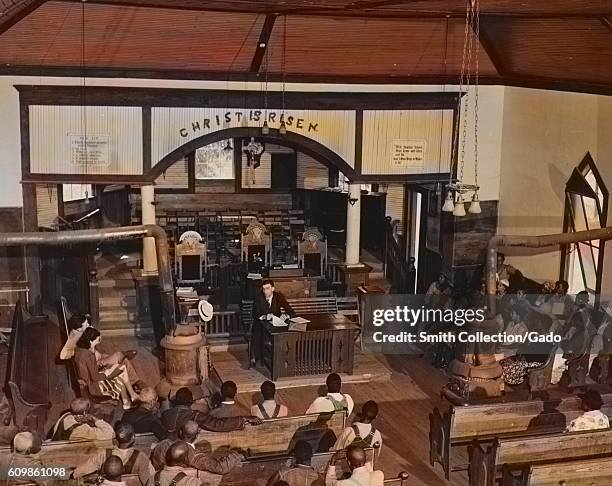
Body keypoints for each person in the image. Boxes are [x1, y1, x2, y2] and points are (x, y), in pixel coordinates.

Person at [74, 327, 140, 409]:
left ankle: (128, 399)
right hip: (95, 387)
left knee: (120, 369)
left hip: (90, 381)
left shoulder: (79, 350)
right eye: (98, 340)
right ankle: (130, 397)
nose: (99, 342)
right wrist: (107, 372)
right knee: (121, 368)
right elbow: (95, 377)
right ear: (91, 341)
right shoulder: (89, 356)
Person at [160, 387, 261, 440]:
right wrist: (244, 419)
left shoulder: (165, 415)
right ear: (191, 402)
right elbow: (219, 424)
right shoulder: (194, 415)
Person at [73, 422, 154, 485]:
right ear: (133, 437)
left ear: (116, 437)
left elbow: (80, 471)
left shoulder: (103, 454)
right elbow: (151, 481)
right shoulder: (140, 457)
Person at [152, 420, 242, 474]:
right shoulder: (192, 455)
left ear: (180, 432)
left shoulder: (163, 444)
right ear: (196, 436)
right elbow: (221, 468)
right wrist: (235, 456)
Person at [251, 279, 296, 367]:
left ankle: (282, 358)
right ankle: (257, 358)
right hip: (261, 324)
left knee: (286, 333)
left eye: (267, 288)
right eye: (263, 289)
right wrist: (264, 316)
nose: (265, 291)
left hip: (276, 324)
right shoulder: (258, 297)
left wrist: (286, 315)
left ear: (273, 289)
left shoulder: (279, 297)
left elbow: (290, 311)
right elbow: (255, 314)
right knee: (258, 334)